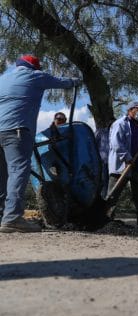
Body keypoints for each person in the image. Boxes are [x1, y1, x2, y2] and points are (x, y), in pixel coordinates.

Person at [0, 54, 80, 233]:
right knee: (18, 171)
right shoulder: (35, 76)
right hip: (17, 130)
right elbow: (62, 82)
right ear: (34, 68)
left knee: (1, 175)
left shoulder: (3, 78)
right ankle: (12, 218)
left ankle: (2, 215)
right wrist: (75, 81)